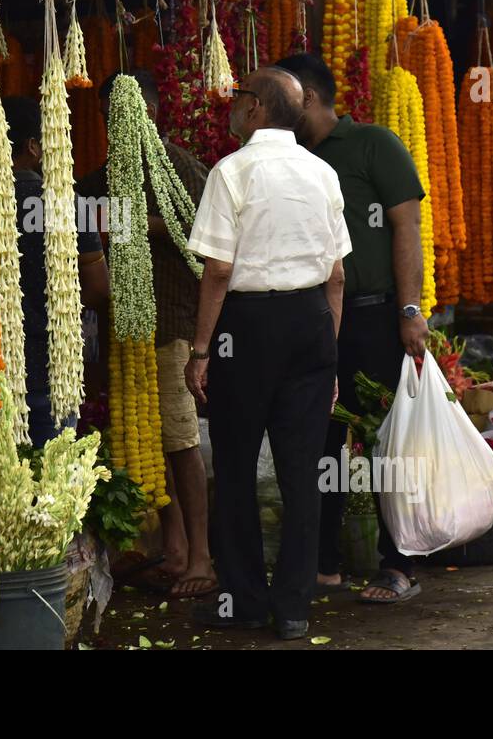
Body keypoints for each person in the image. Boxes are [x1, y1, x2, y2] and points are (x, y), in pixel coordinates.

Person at [184, 67, 350, 640]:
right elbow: (336, 276)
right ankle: (296, 609)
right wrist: (328, 349)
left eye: (237, 96)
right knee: (302, 472)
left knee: (233, 468)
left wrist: (202, 349)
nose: (232, 105)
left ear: (255, 107)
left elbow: (219, 270)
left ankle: (246, 603)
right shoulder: (322, 172)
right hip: (309, 323)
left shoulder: (232, 172)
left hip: (247, 328)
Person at [274, 53, 428, 606]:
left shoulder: (373, 145)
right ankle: (324, 565)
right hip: (312, 317)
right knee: (319, 441)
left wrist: (410, 310)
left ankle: (399, 563)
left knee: (386, 441)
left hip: (373, 315)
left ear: (307, 98)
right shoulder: (285, 155)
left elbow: (407, 226)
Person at [77, 71, 216, 600]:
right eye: (108, 119)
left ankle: (201, 556)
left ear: (150, 113)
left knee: (180, 440)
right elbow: (80, 212)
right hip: (125, 326)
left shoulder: (179, 168)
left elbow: (206, 235)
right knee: (149, 441)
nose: (116, 127)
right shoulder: (104, 175)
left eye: (124, 115)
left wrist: (134, 224)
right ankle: (174, 548)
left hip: (172, 324)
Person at [3, 96, 110, 447]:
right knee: (53, 485)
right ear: (33, 146)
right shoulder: (67, 205)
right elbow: (98, 289)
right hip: (54, 367)